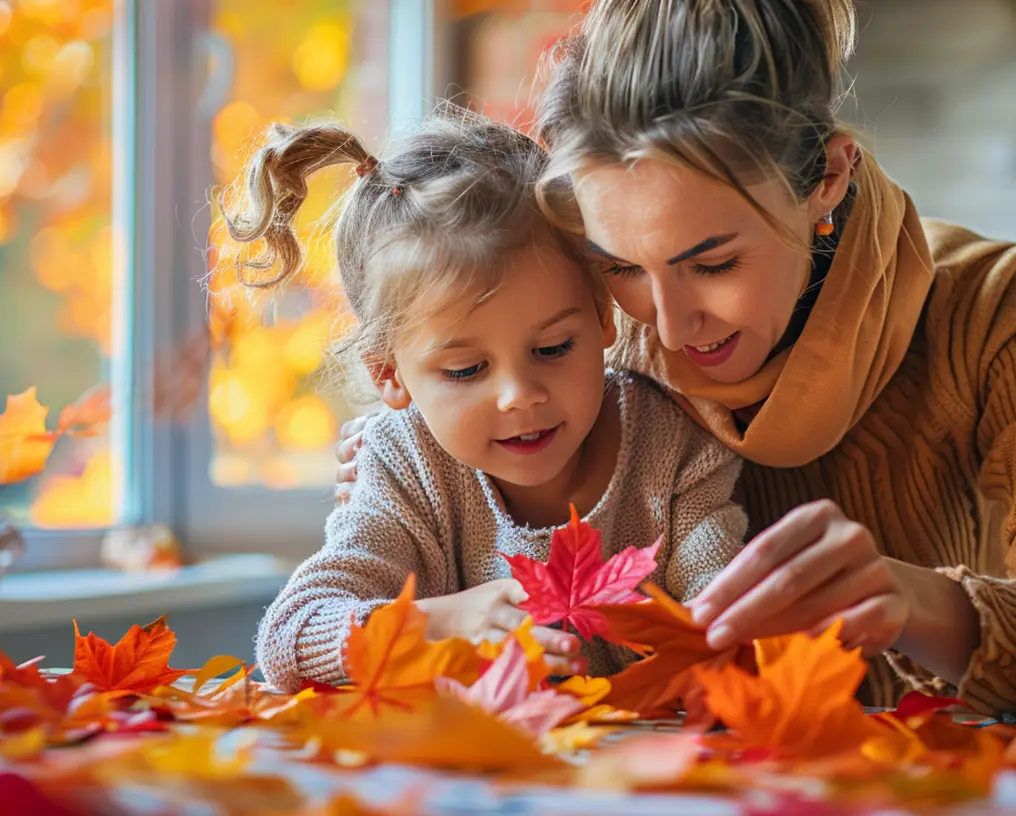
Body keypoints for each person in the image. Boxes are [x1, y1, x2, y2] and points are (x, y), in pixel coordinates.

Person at [333, 0, 1016, 715]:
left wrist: (911, 602)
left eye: (713, 263)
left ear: (826, 178)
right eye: (620, 267)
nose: (666, 328)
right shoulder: (590, 336)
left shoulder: (995, 313)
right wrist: (401, 455)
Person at [227, 108, 749, 693]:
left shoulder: (674, 444)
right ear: (388, 374)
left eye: (553, 348)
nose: (519, 394)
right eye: (467, 369)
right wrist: (438, 623)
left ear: (604, 317)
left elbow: (730, 630)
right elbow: (290, 637)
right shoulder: (406, 464)